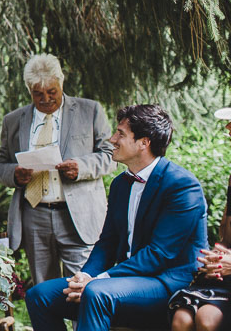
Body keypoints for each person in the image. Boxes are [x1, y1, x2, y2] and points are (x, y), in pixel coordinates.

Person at [26, 104, 208, 331]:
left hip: (168, 283)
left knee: (96, 293)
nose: (112, 139)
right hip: (123, 281)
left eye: (121, 133)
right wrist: (84, 276)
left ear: (144, 142)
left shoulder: (182, 186)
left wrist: (100, 280)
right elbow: (107, 242)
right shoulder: (121, 184)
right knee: (39, 295)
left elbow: (159, 254)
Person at [0, 54, 116, 286]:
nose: (46, 99)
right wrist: (15, 174)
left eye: (52, 91)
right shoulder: (14, 120)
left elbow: (110, 157)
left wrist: (81, 167)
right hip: (34, 215)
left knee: (83, 289)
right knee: (43, 290)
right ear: (29, 90)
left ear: (61, 83)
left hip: (78, 216)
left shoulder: (90, 111)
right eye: (38, 94)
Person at [170, 84, 231, 331]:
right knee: (182, 319)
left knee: (207, 320)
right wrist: (217, 259)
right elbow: (227, 239)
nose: (228, 128)